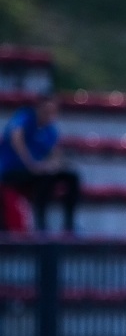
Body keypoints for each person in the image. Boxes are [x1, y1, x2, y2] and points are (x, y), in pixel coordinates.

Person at [0, 93, 80, 232]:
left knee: (71, 177)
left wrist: (54, 165)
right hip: (13, 171)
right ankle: (41, 225)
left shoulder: (50, 130)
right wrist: (32, 164)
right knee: (45, 177)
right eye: (46, 110)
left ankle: (69, 225)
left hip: (36, 172)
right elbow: (16, 137)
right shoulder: (25, 117)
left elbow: (55, 154)